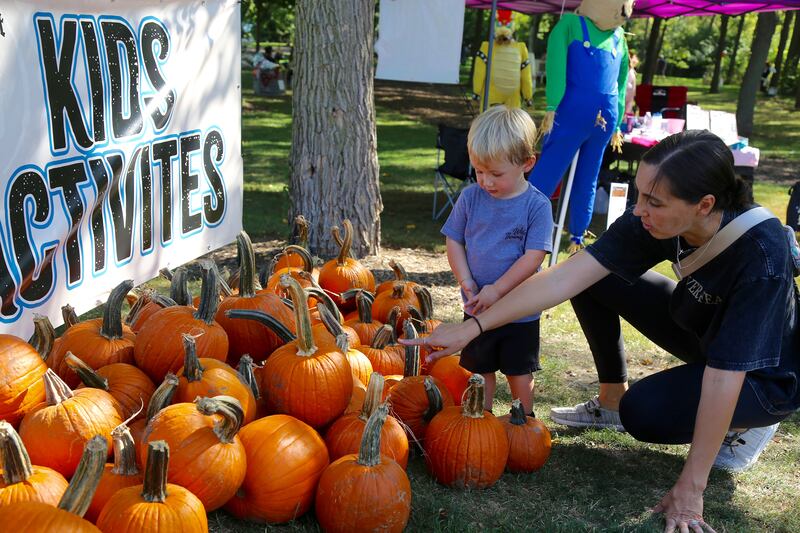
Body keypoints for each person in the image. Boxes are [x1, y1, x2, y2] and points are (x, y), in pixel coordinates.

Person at [403, 130, 800, 532]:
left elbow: (723, 375)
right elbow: (567, 278)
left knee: (643, 415)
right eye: (640, 194)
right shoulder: (655, 218)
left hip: (762, 375)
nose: (638, 209)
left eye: (653, 202)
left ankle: (751, 423)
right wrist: (472, 327)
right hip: (705, 330)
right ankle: (610, 400)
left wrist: (691, 489)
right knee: (597, 276)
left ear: (704, 205)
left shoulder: (761, 256)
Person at [441, 105, 553, 416]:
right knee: (481, 369)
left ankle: (525, 422)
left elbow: (533, 257)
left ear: (527, 163)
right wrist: (466, 280)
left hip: (520, 311)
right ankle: (482, 418)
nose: (486, 181)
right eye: (478, 171)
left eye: (496, 174)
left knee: (519, 371)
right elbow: (455, 239)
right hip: (478, 305)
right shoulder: (470, 198)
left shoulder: (536, 206)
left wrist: (498, 289)